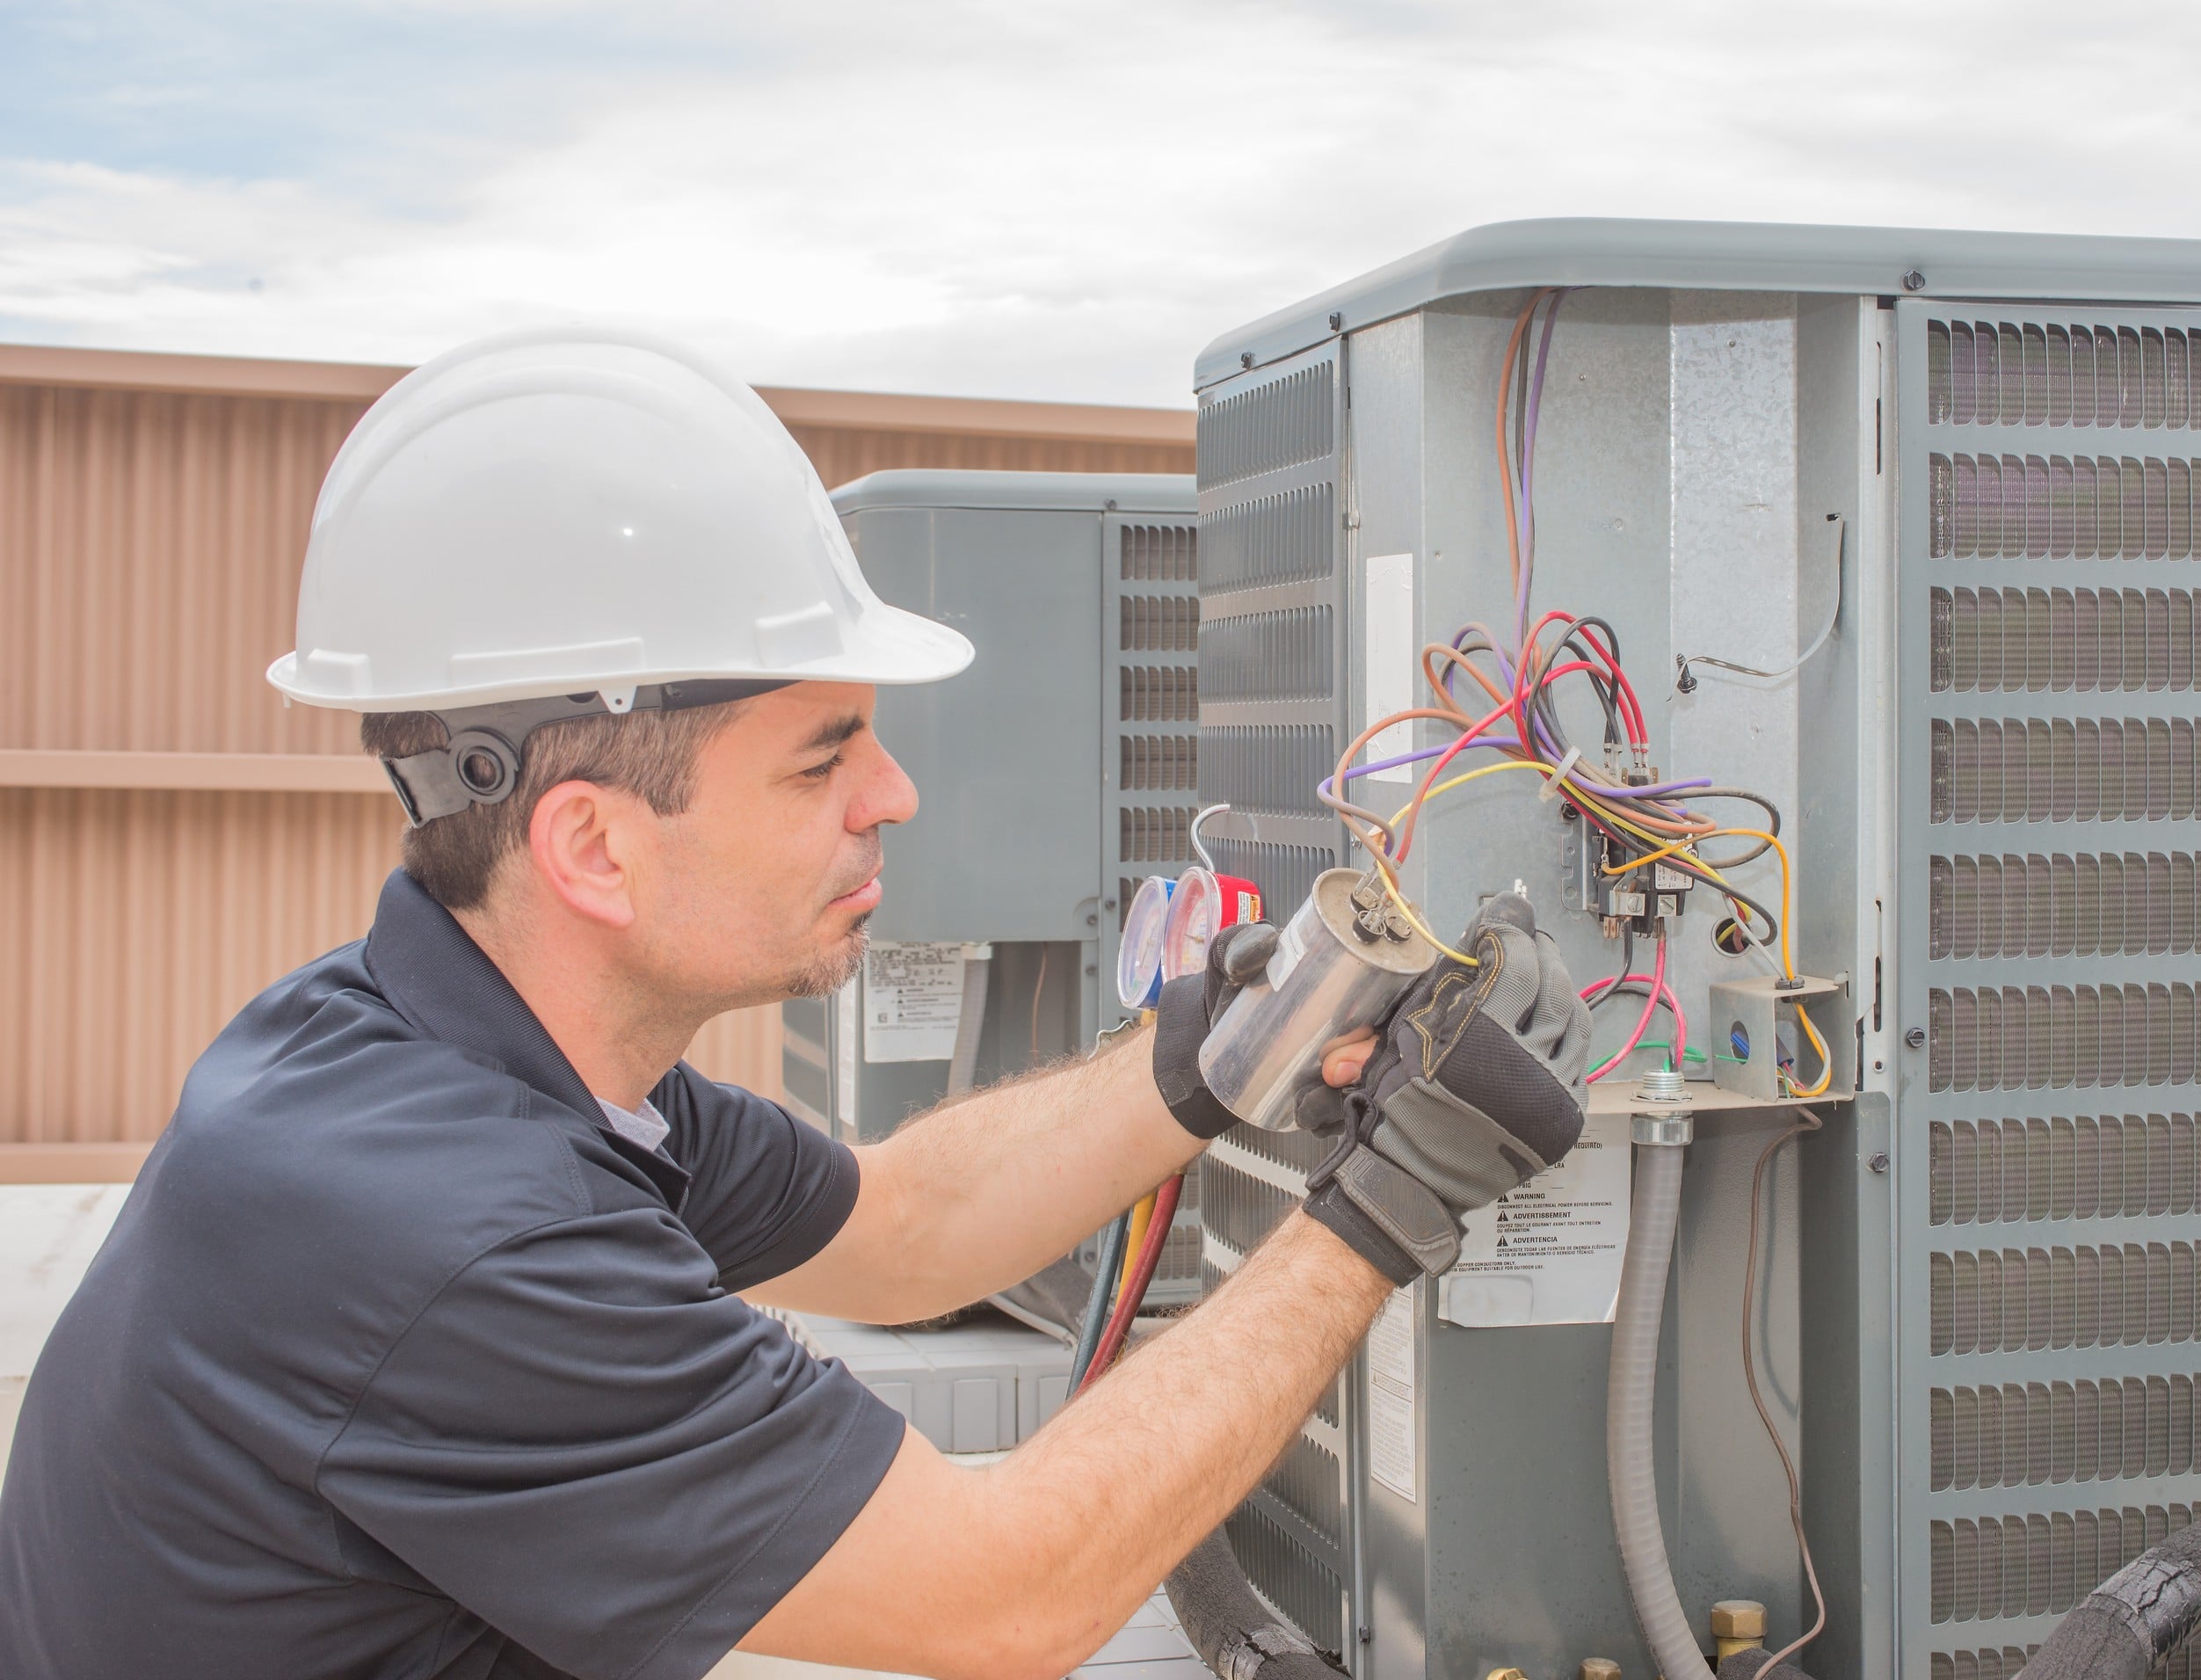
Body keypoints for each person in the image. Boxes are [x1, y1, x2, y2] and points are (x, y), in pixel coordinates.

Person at [0, 331, 1591, 1680]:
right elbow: (1006, 1592)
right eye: (824, 758)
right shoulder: (457, 1241)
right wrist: (1391, 1204)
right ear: (593, 848)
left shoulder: (426, 1047)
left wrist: (1207, 1053)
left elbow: (897, 1227)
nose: (892, 795)